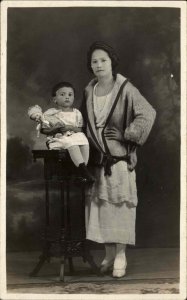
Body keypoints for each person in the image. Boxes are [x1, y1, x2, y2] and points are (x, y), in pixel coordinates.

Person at [81, 41, 156, 277]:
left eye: (103, 60)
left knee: (120, 209)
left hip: (119, 160)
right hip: (97, 159)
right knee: (102, 208)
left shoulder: (125, 88)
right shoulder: (88, 90)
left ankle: (121, 256)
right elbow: (83, 122)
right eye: (94, 61)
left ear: (112, 61)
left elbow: (147, 113)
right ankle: (109, 255)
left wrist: (127, 135)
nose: (99, 65)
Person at [28, 81, 95, 183]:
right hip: (58, 138)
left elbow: (80, 129)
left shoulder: (77, 113)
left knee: (84, 140)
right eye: (62, 95)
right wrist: (57, 129)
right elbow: (43, 129)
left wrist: (71, 128)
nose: (67, 97)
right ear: (55, 99)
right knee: (71, 143)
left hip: (73, 135)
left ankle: (82, 171)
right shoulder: (50, 113)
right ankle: (83, 171)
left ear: (73, 97)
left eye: (70, 94)